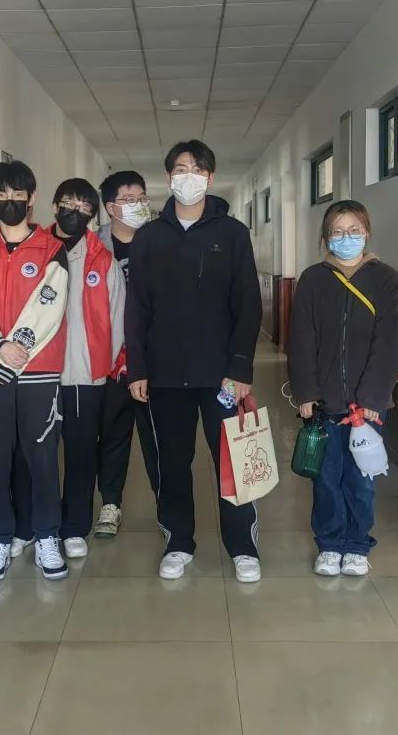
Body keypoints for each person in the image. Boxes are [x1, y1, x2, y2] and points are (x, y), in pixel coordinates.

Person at [125, 139, 263, 583]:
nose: (190, 176)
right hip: (165, 374)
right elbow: (136, 308)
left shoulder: (232, 233)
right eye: (182, 169)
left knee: (232, 460)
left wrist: (240, 368)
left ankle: (242, 547)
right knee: (173, 463)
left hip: (221, 375)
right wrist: (138, 368)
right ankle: (178, 542)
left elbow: (248, 305)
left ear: (210, 177)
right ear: (169, 178)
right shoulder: (149, 237)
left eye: (198, 169)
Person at [288, 200, 398, 578]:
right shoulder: (312, 279)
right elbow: (301, 341)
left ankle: (356, 544)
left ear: (366, 233)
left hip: (366, 406)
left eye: (354, 230)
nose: (346, 238)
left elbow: (389, 344)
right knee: (325, 478)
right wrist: (305, 393)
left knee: (360, 479)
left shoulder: (386, 279)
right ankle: (329, 543)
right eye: (337, 232)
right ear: (326, 238)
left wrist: (372, 398)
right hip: (323, 403)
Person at [11, 178, 125, 559]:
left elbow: (117, 317)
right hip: (35, 374)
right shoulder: (33, 249)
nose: (74, 212)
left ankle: (74, 525)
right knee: (32, 454)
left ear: (92, 215)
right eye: (68, 203)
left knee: (81, 453)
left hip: (83, 376)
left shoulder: (102, 260)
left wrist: (100, 367)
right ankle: (29, 526)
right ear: (54, 205)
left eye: (84, 207)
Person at [0, 160, 69, 583]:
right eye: (1, 195)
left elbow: (49, 306)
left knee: (41, 458)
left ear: (31, 199)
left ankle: (47, 536)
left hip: (37, 374)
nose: (10, 202)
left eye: (18, 195)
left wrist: (16, 352)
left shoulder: (51, 249)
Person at [93, 170, 158, 537]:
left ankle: (167, 506)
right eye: (128, 199)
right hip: (111, 360)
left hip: (155, 358)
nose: (137, 205)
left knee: (158, 438)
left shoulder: (160, 240)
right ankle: (111, 504)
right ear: (110, 207)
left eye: (141, 198)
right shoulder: (92, 247)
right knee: (114, 434)